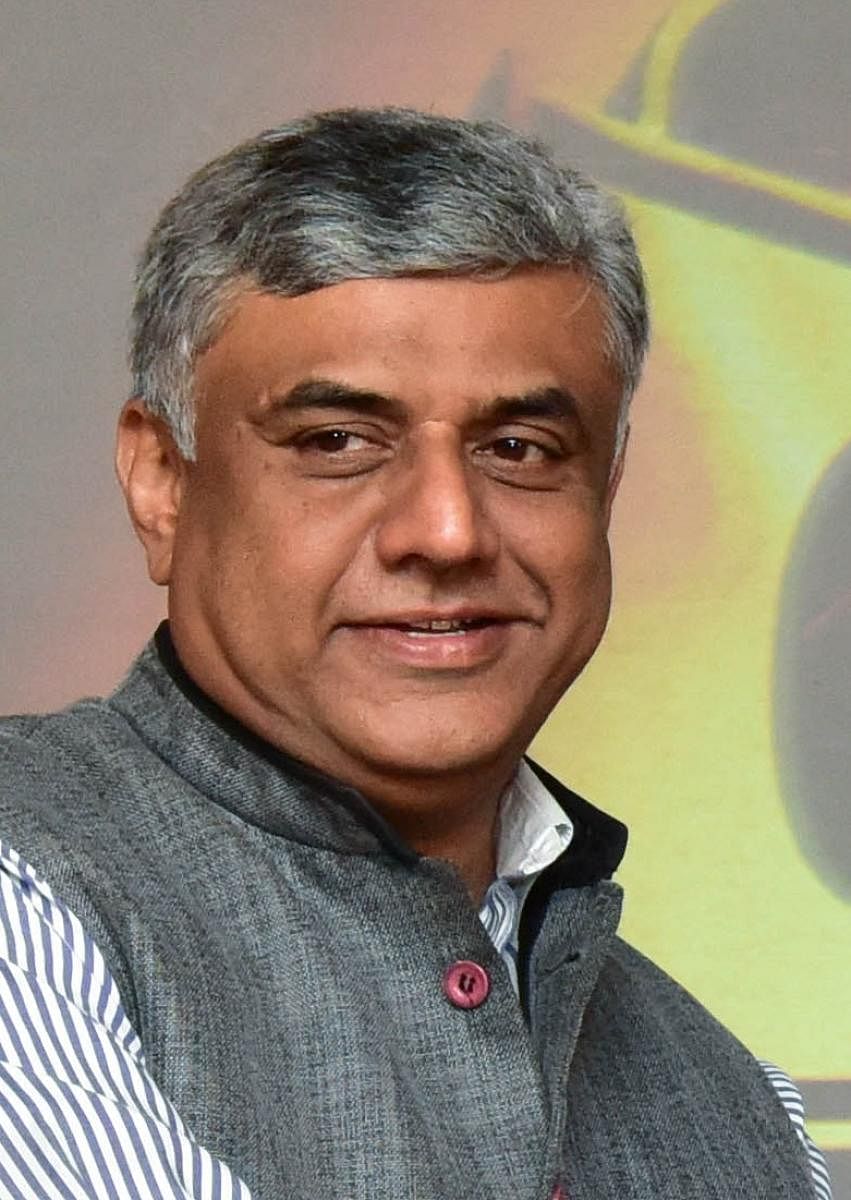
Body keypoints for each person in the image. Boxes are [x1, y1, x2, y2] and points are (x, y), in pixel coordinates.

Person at [0, 108, 831, 1200]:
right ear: (161, 482)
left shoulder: (739, 1109)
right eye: (337, 442)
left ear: (605, 491)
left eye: (519, 449)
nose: (446, 531)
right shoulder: (28, 901)